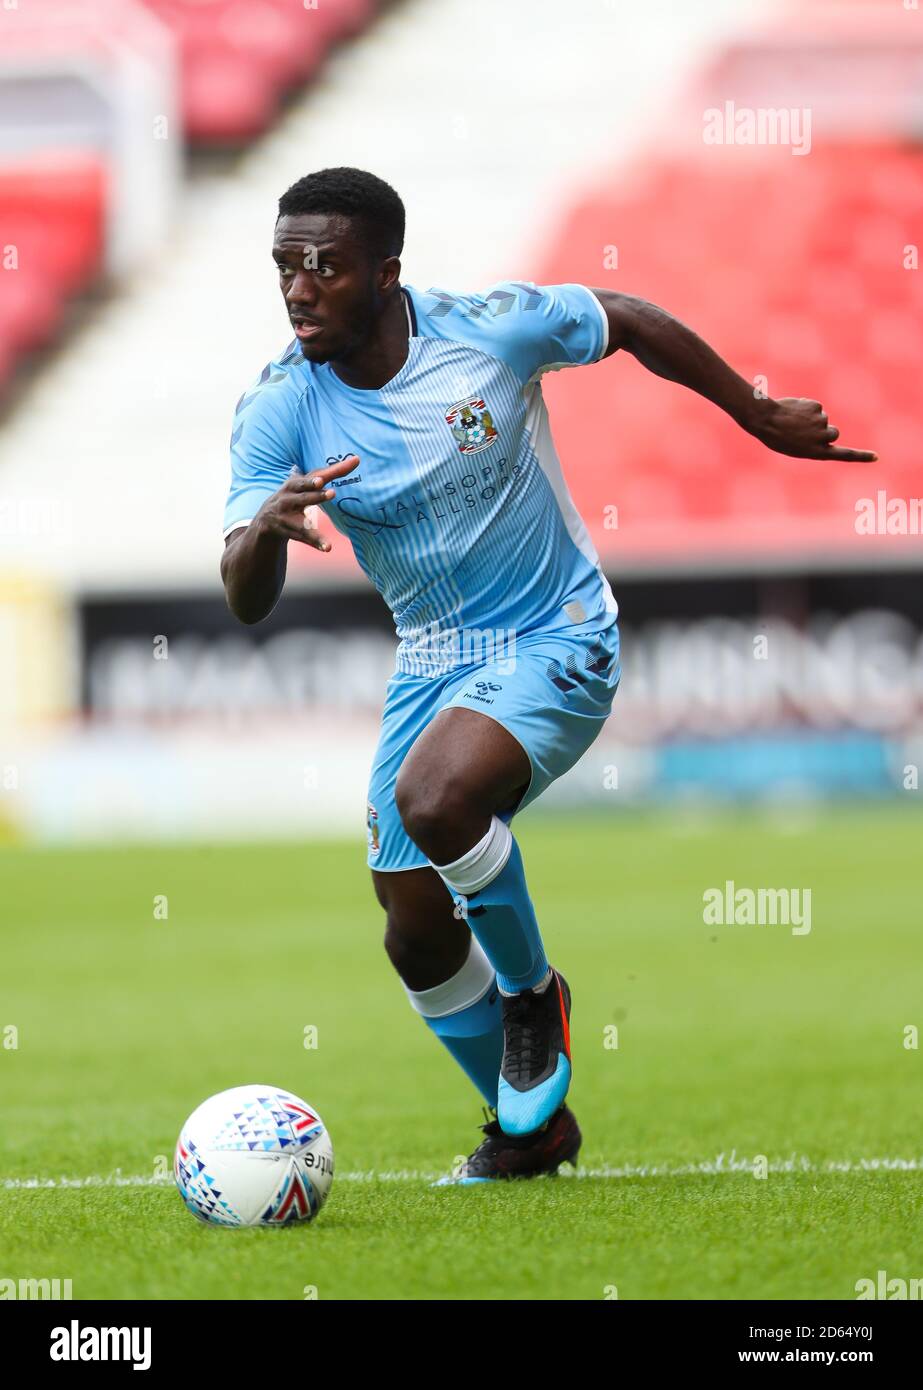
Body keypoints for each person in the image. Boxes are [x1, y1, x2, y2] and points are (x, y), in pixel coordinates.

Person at [221, 167, 875, 1184]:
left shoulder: (486, 333)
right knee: (413, 930)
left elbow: (621, 317)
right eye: (284, 267)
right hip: (431, 659)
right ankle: (529, 1133)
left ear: (386, 274)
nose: (298, 288)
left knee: (436, 799)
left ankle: (532, 995)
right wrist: (264, 529)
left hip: (554, 631)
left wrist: (748, 411)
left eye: (324, 267)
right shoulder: (278, 408)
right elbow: (243, 593)